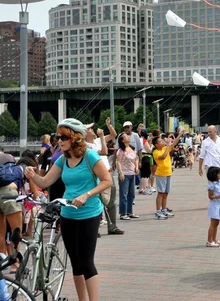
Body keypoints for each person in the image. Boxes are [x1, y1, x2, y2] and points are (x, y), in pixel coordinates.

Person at [24, 118, 112, 301]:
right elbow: (46, 181)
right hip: (68, 214)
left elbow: (107, 180)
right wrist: (32, 176)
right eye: (57, 137)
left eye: (64, 137)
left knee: (87, 262)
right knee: (75, 263)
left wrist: (86, 195)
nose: (59, 140)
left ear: (75, 138)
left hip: (89, 213)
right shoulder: (63, 159)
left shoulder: (90, 156)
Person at [152, 129, 184, 220]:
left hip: (168, 173)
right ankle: (158, 212)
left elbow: (174, 143)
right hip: (161, 174)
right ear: (156, 144)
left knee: (166, 193)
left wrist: (180, 135)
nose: (162, 142)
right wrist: (167, 147)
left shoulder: (164, 148)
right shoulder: (156, 152)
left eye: (162, 141)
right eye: (160, 141)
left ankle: (164, 209)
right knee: (161, 193)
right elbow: (163, 157)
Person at [116, 132, 139, 220]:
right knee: (124, 194)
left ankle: (130, 212)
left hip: (132, 173)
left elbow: (136, 158)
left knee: (131, 194)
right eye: (125, 137)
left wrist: (136, 167)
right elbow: (118, 162)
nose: (128, 137)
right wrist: (121, 173)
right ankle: (123, 213)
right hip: (124, 174)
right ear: (122, 140)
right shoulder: (121, 150)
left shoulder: (132, 148)